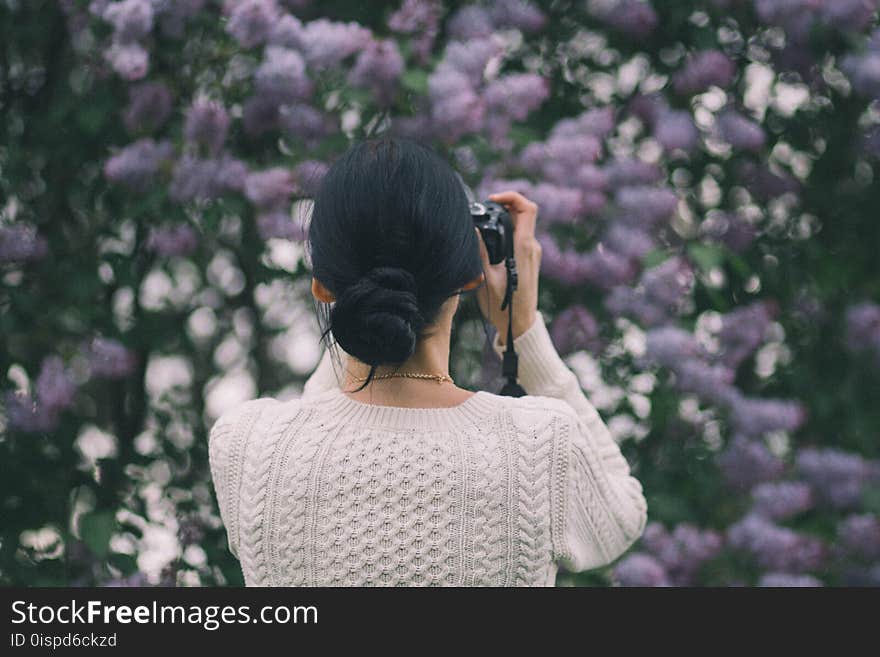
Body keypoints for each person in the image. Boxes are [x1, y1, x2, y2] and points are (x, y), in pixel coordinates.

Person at [208, 136, 647, 586]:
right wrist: (524, 329)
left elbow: (319, 440)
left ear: (321, 285)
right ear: (471, 276)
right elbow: (621, 516)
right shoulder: (540, 444)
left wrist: (362, 306)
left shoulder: (249, 446)